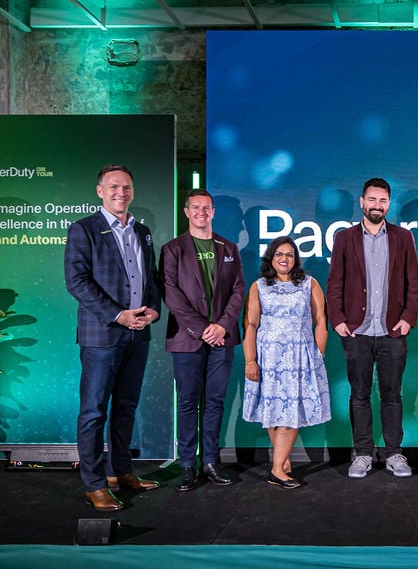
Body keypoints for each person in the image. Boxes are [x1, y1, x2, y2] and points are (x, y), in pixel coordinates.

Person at [65, 163, 161, 511]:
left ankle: (120, 472)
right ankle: (94, 484)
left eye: (127, 188)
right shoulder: (83, 230)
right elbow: (77, 282)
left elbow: (150, 278)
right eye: (114, 187)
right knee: (93, 412)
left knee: (126, 407)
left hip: (138, 334)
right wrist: (118, 314)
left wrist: (153, 309)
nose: (121, 193)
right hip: (102, 335)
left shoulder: (142, 231)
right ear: (100, 191)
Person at [326, 178, 418, 479]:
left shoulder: (403, 237)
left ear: (388, 204)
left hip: (393, 331)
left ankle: (394, 453)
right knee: (359, 394)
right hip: (357, 331)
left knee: (392, 395)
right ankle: (363, 454)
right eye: (372, 200)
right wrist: (339, 320)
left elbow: (414, 284)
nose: (377, 205)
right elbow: (335, 284)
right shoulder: (345, 238)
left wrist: (407, 318)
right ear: (362, 202)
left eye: (382, 201)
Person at [160, 188, 246, 492]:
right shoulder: (173, 249)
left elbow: (238, 291)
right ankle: (187, 466)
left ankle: (211, 462)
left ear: (213, 212)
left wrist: (222, 326)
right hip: (187, 339)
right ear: (186, 212)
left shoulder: (229, 248)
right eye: (195, 207)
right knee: (187, 402)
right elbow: (171, 293)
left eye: (206, 208)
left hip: (222, 339)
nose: (201, 212)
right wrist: (201, 328)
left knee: (215, 402)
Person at [242, 236, 330, 489]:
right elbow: (251, 324)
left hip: (300, 358)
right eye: (279, 254)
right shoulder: (259, 286)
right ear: (271, 258)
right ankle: (281, 464)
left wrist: (318, 354)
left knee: (291, 413)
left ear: (295, 259)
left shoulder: (309, 283)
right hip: (267, 357)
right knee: (272, 412)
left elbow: (321, 320)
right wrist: (250, 360)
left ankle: (277, 468)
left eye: (290, 255)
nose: (284, 259)